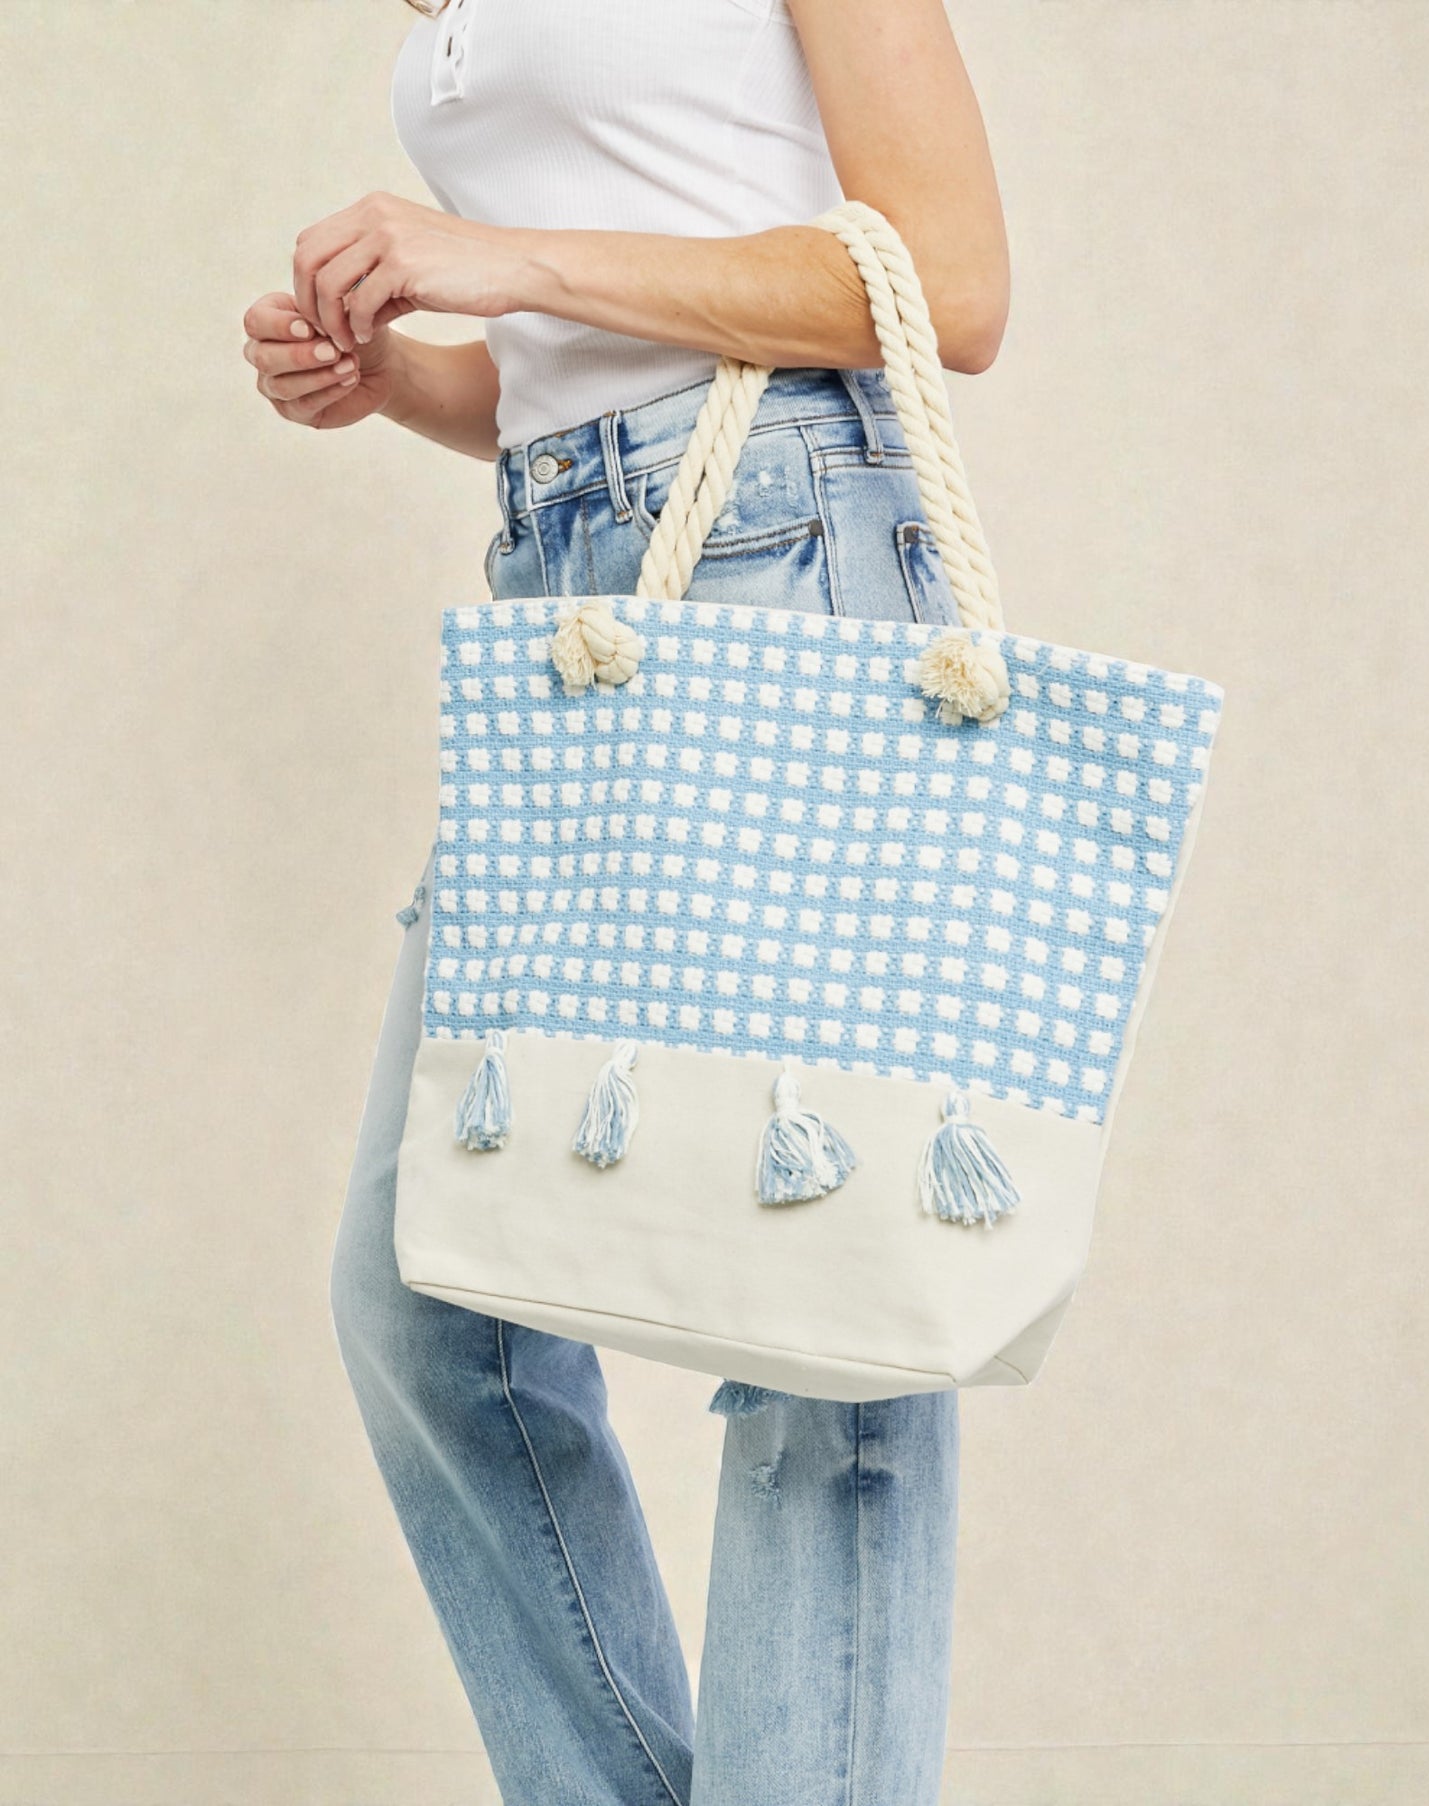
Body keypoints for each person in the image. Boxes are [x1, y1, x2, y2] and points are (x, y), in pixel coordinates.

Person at [241, 2, 1008, 1799]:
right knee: (423, 1284)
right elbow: (578, 363)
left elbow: (946, 285)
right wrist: (412, 378)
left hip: (785, 546)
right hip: (567, 574)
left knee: (820, 1312)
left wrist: (488, 255)